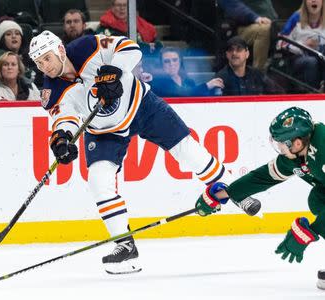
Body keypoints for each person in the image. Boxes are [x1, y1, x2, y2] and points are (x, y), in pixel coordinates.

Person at [28, 30, 235, 275]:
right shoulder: (51, 90)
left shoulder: (87, 46)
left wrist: (113, 72)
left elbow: (129, 48)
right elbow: (65, 118)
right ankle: (125, 245)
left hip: (141, 106)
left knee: (187, 151)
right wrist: (61, 140)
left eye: (47, 58)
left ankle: (236, 189)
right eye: (39, 63)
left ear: (61, 50)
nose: (44, 67)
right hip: (105, 131)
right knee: (98, 180)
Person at [195, 106, 325, 289]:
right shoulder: (298, 154)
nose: (279, 147)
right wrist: (221, 195)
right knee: (318, 198)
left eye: (281, 143)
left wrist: (311, 231)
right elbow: (261, 177)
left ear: (296, 143)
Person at [218, 0, 278, 71]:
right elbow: (234, 7)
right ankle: (257, 72)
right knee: (263, 29)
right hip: (239, 26)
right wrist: (255, 18)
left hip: (270, 23)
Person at [278, 0, 325, 90]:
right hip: (298, 57)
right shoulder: (296, 17)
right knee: (311, 61)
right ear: (305, 2)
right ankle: (313, 94)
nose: (313, 0)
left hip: (321, 55)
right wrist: (303, 45)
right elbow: (280, 43)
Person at [216, 36, 284, 95]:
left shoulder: (257, 74)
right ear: (227, 55)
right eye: (231, 50)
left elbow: (279, 92)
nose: (234, 53)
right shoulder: (221, 78)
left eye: (239, 49)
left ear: (247, 54)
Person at [0, 19, 36, 86]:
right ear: (2, 40)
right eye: (8, 34)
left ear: (21, 38)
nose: (14, 36)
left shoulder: (29, 56)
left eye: (17, 33)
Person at [151, 47, 224, 97]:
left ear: (180, 61)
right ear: (161, 65)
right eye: (167, 61)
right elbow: (183, 93)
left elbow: (196, 96)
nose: (172, 64)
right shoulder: (158, 83)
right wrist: (207, 85)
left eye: (175, 60)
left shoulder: (188, 81)